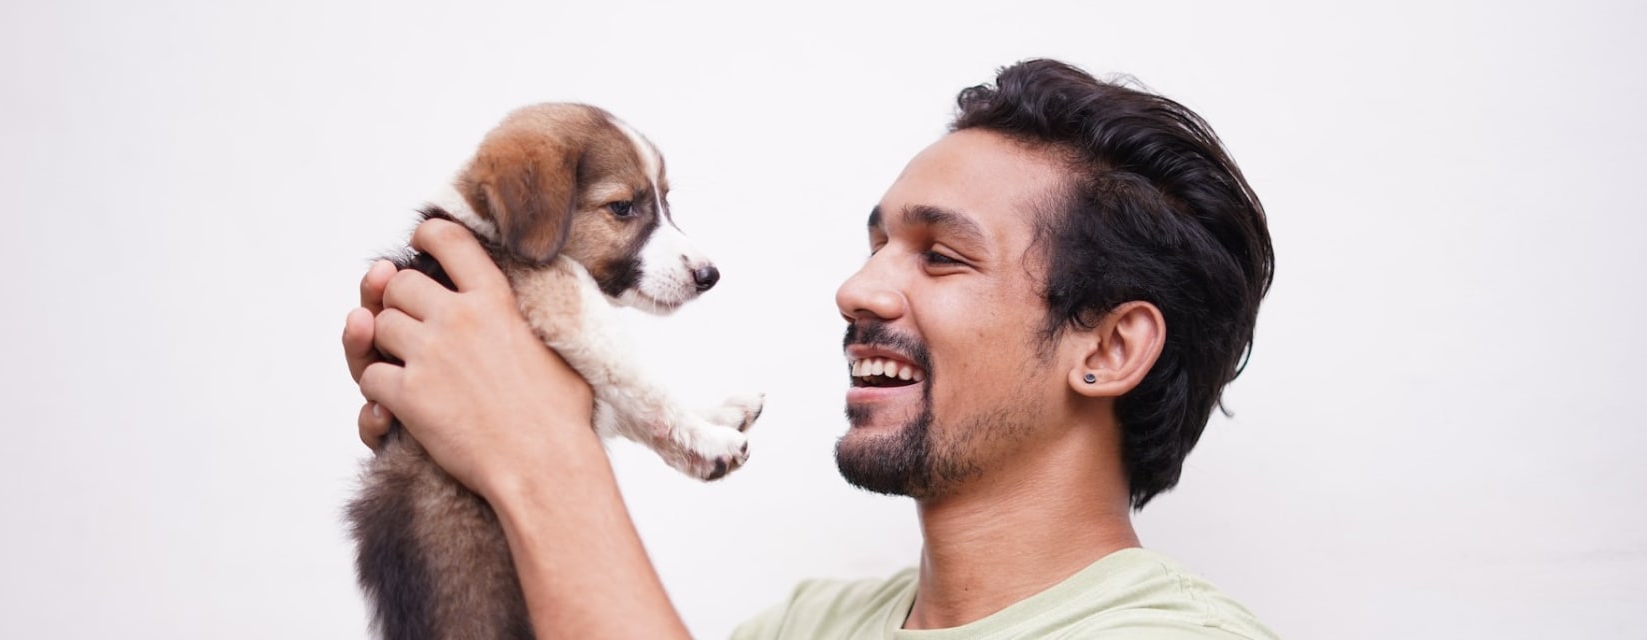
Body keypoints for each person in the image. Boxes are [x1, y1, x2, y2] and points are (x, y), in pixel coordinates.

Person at [342, 58, 1277, 639]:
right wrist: (465, 463)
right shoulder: (805, 626)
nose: (857, 290)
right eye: (876, 245)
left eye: (942, 257)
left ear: (1110, 349)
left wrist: (538, 451)